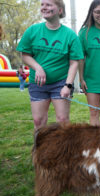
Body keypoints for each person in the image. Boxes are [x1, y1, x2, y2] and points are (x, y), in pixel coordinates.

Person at [16, 0, 84, 130]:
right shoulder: (33, 30)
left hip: (61, 83)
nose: (44, 7)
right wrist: (38, 67)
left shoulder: (70, 35)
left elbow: (74, 62)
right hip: (38, 83)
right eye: (42, 5)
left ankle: (65, 150)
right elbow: (25, 55)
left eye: (48, 4)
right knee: (38, 120)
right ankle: (39, 150)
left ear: (60, 10)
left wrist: (68, 85)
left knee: (63, 120)